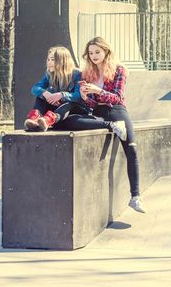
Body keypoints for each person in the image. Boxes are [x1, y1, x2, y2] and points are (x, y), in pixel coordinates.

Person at [62, 37, 145, 213]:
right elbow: (92, 104)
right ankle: (110, 126)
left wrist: (98, 90)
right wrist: (86, 96)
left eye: (97, 52)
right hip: (98, 114)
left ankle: (135, 197)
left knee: (132, 149)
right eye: (90, 53)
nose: (94, 56)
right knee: (69, 120)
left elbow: (117, 97)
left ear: (106, 51)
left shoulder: (119, 70)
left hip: (117, 111)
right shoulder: (87, 73)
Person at [24, 45, 88, 132]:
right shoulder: (49, 74)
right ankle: (34, 120)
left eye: (53, 60)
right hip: (57, 108)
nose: (49, 62)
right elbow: (35, 88)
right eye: (48, 59)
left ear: (63, 61)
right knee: (41, 96)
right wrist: (45, 93)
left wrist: (61, 95)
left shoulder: (77, 74)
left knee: (70, 103)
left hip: (74, 110)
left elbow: (78, 96)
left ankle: (47, 121)